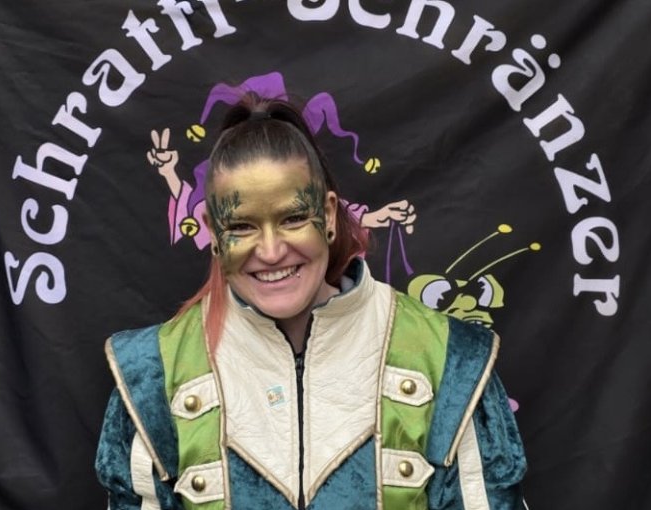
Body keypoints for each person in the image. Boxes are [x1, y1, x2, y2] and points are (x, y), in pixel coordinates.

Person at [95, 96, 527, 509]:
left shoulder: (446, 359)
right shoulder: (154, 375)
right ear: (212, 230)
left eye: (294, 218)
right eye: (242, 226)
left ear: (330, 214)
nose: (271, 251)